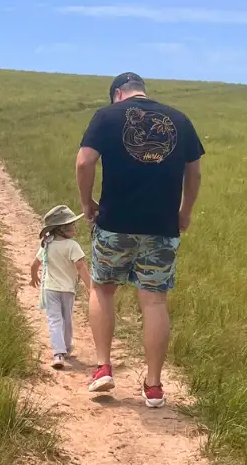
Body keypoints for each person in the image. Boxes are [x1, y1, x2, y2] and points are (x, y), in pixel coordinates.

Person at [76, 72, 204, 408]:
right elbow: (195, 172)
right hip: (162, 226)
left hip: (114, 223)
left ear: (118, 94)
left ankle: (103, 367)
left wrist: (86, 202)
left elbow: (84, 161)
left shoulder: (105, 116)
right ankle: (154, 386)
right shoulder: (179, 119)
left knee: (102, 289)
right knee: (154, 301)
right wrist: (185, 211)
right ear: (142, 92)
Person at [30, 205, 90, 370]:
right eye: (72, 225)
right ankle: (65, 349)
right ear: (62, 229)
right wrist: (91, 287)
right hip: (67, 290)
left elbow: (34, 264)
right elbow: (80, 266)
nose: (75, 228)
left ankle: (58, 353)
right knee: (66, 320)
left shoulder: (47, 243)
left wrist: (33, 276)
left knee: (54, 320)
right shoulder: (72, 246)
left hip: (50, 289)